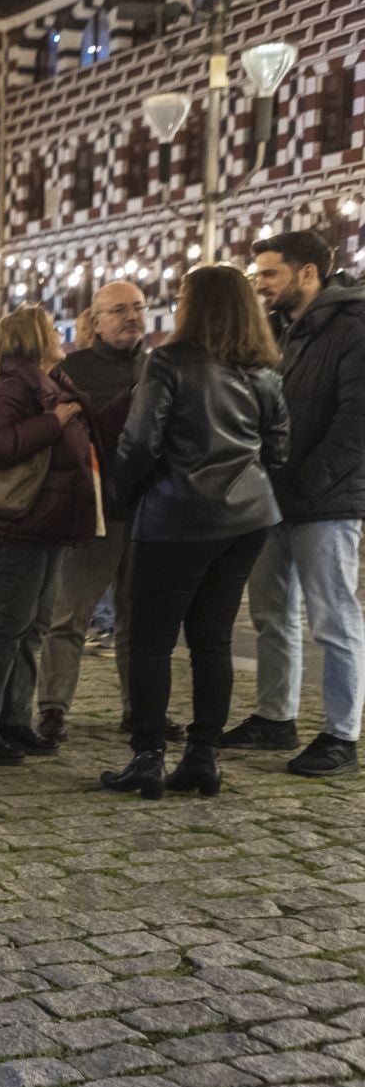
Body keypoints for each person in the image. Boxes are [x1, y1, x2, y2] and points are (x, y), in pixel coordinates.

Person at [101, 265, 290, 798]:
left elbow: (139, 442)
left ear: (193, 305)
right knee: (213, 640)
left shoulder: (169, 361)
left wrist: (127, 493)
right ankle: (203, 756)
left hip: (177, 514)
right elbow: (278, 449)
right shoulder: (265, 370)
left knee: (152, 639)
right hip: (248, 517)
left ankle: (147, 756)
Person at [228, 231, 365, 776]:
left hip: (326, 501)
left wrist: (308, 482)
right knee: (271, 615)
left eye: (269, 274)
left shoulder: (353, 329)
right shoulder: (280, 331)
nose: (259, 284)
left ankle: (341, 733)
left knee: (334, 619)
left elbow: (356, 424)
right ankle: (275, 717)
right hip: (274, 498)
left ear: (308, 273)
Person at [0, 306, 103, 765]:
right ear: (32, 339)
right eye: (52, 329)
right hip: (13, 522)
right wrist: (51, 423)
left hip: (45, 521)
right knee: (7, 625)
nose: (59, 335)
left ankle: (13, 719)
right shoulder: (16, 386)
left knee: (32, 625)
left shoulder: (51, 383)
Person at [36, 280, 150, 745]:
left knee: (139, 624)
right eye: (119, 310)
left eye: (138, 308)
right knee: (70, 617)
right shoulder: (73, 371)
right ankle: (52, 709)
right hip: (95, 513)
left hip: (149, 512)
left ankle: (139, 711)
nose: (131, 317)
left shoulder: (158, 365)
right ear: (96, 321)